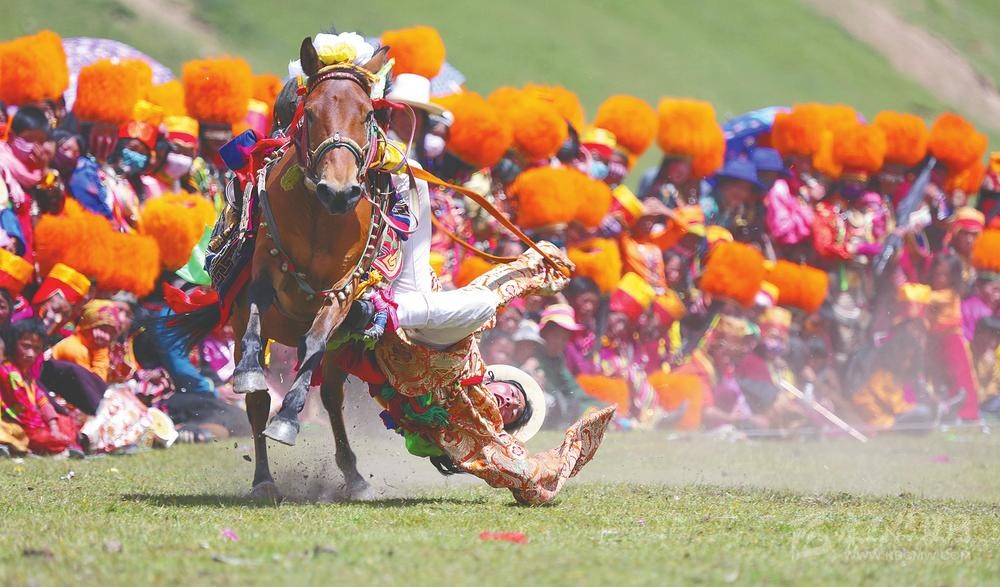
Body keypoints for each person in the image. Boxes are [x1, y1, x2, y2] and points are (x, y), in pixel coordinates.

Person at [0, 319, 85, 456]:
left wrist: (54, 427)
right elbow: (26, 413)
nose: (31, 354)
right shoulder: (8, 372)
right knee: (31, 435)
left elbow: (42, 402)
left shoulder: (27, 376)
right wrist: (48, 431)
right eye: (26, 346)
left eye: (36, 348)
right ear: (13, 344)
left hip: (35, 424)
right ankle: (63, 447)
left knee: (65, 422)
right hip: (21, 424)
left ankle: (63, 446)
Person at [50, 300, 119, 381]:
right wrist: (101, 351)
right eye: (102, 329)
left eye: (111, 332)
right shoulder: (74, 349)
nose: (106, 337)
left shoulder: (91, 349)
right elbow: (95, 384)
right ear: (88, 325)